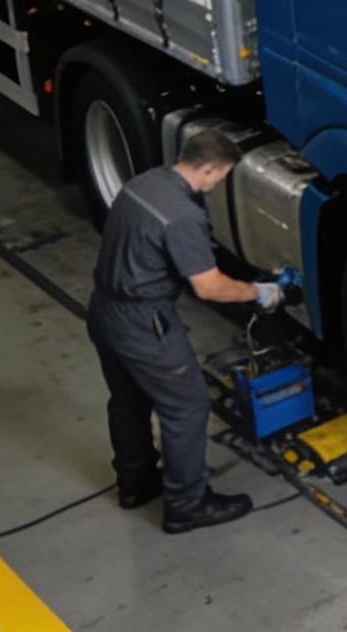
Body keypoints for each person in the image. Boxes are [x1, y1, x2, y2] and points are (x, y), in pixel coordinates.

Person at [90, 128, 292, 534]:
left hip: (103, 310)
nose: (218, 185)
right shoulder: (184, 215)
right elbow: (208, 286)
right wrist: (261, 291)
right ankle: (186, 504)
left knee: (127, 400)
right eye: (219, 177)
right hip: (145, 324)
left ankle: (134, 483)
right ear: (208, 168)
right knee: (187, 408)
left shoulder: (144, 183)